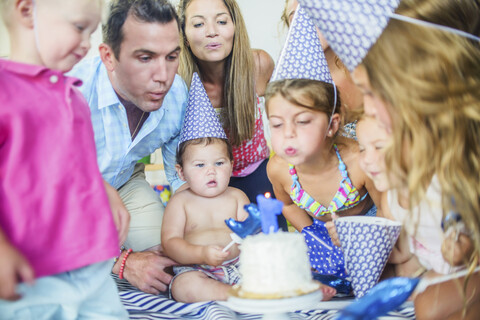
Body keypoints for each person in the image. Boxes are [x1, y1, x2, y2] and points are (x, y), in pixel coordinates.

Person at [299, 0, 480, 317]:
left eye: (371, 92)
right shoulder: (403, 169)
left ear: (412, 90)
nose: (366, 108)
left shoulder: (464, 163)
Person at [0, 0, 128, 318]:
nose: (87, 44)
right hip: (30, 275)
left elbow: (69, 163)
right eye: (79, 27)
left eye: (92, 30)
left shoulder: (75, 96)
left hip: (92, 268)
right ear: (27, 11)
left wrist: (104, 189)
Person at [69, 0, 188, 294]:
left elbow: (179, 179)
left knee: (166, 266)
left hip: (124, 183)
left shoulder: (177, 95)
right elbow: (43, 199)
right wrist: (122, 261)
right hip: (65, 194)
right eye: (145, 57)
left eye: (171, 56)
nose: (163, 76)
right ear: (109, 57)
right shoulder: (71, 91)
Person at [176, 0, 288, 232]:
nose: (211, 32)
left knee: (273, 245)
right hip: (202, 180)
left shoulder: (258, 65)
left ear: (235, 27)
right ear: (184, 35)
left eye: (221, 21)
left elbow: (286, 119)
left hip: (255, 173)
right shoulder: (176, 79)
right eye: (198, 24)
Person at [265, 79, 381, 278]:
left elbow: (387, 210)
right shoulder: (278, 169)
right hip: (319, 232)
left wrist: (360, 235)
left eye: (302, 122)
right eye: (277, 124)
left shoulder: (360, 162)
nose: (288, 134)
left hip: (368, 229)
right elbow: (288, 204)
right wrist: (311, 235)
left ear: (332, 124)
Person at [280, 0, 363, 139]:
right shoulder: (294, 87)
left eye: (312, 14)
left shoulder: (366, 66)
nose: (306, 25)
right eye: (296, 18)